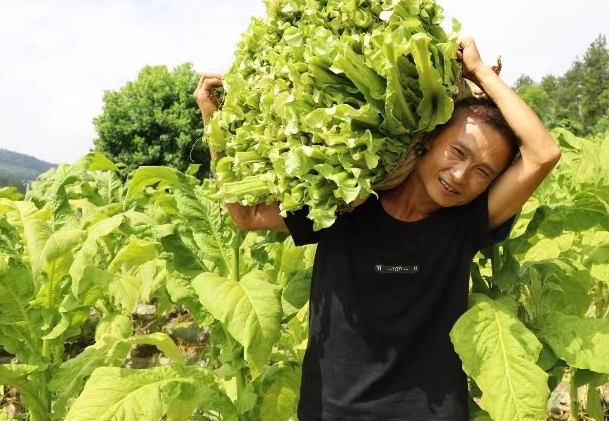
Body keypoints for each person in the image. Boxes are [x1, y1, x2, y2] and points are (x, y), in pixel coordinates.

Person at [194, 38, 561, 421]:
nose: (460, 176)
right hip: (333, 410)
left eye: (483, 172)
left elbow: (543, 153)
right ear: (429, 139)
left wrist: (480, 73)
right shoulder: (346, 199)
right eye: (458, 152)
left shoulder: (467, 222)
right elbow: (247, 215)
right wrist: (213, 120)